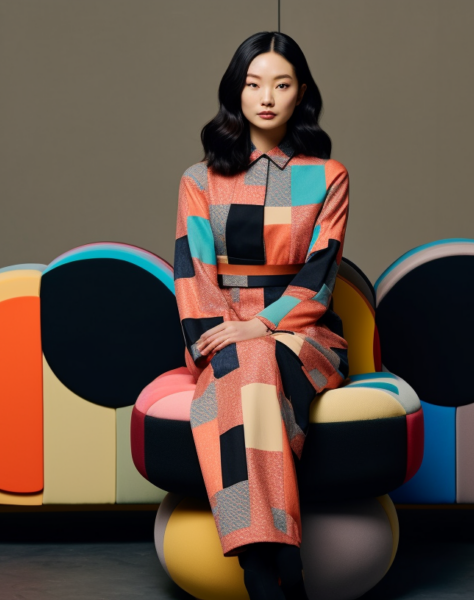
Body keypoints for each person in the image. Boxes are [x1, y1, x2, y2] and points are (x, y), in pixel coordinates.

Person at [173, 31, 349, 600]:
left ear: (301, 94)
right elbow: (193, 275)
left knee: (254, 363)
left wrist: (264, 323)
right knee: (245, 365)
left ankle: (258, 567)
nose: (266, 97)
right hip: (221, 326)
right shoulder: (198, 181)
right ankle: (279, 565)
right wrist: (231, 331)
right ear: (236, 92)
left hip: (303, 331)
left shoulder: (327, 177)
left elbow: (321, 273)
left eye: (281, 84)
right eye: (253, 84)